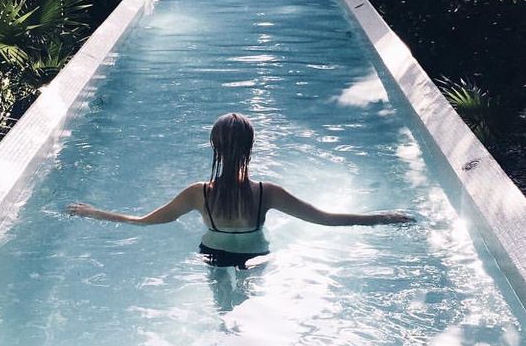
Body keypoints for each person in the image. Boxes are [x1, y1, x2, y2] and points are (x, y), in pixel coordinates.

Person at [68, 112, 414, 269]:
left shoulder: (197, 193)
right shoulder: (268, 192)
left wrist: (94, 212)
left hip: (212, 254)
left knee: (223, 312)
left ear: (213, 147)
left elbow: (144, 222)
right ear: (250, 147)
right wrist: (383, 217)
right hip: (258, 255)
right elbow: (326, 219)